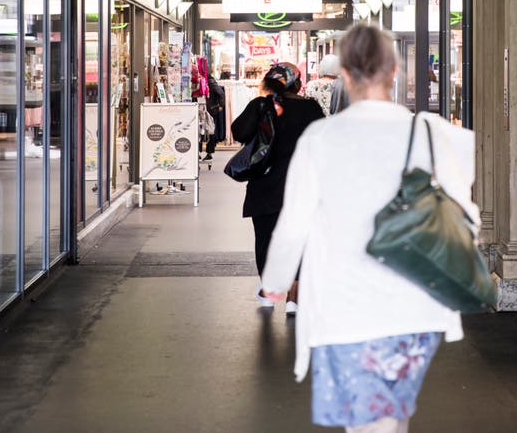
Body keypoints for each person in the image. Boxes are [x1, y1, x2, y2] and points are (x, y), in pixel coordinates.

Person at [260, 25, 479, 433]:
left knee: (369, 421)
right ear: (394, 70)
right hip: (415, 301)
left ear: (344, 73)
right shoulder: (428, 133)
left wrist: (276, 282)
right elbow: (466, 213)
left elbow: (294, 224)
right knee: (390, 414)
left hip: (344, 303)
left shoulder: (321, 137)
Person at [231, 62, 323, 316]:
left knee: (266, 239)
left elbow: (238, 133)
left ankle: (270, 291)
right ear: (298, 84)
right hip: (302, 185)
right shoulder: (310, 108)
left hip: (266, 186)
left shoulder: (260, 105)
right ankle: (294, 297)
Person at [202, 72, 226, 160]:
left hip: (211, 110)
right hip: (209, 109)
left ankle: (209, 152)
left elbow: (221, 93)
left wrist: (220, 105)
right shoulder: (209, 82)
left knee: (211, 131)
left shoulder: (211, 83)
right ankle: (208, 152)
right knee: (209, 131)